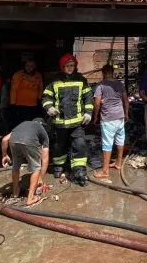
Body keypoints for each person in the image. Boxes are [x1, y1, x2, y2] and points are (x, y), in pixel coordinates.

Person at [42, 54, 94, 186]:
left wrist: (88, 113)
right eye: (67, 66)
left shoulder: (81, 80)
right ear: (62, 66)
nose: (70, 68)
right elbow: (46, 97)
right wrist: (49, 108)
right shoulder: (55, 81)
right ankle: (59, 166)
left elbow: (88, 97)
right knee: (60, 146)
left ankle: (79, 171)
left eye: (72, 65)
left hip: (77, 122)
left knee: (80, 145)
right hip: (60, 122)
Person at [1, 118, 49, 205]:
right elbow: (45, 158)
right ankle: (30, 198)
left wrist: (4, 155)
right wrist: (40, 178)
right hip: (29, 140)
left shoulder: (23, 124)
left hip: (14, 140)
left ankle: (15, 192)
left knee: (16, 165)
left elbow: (4, 139)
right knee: (36, 168)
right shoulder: (42, 130)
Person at [93, 65, 129, 178]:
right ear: (113, 72)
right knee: (120, 139)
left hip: (108, 118)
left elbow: (97, 103)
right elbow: (126, 100)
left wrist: (95, 117)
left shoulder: (101, 85)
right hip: (120, 117)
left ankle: (105, 171)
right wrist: (126, 113)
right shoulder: (119, 84)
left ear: (103, 73)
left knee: (107, 144)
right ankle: (118, 163)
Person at [9, 59, 44, 126]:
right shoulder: (18, 75)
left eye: (31, 66)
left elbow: (40, 87)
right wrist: (12, 103)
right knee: (20, 123)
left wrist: (39, 99)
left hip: (33, 105)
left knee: (31, 123)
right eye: (27, 66)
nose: (29, 68)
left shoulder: (38, 75)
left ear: (35, 66)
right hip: (20, 105)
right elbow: (13, 89)